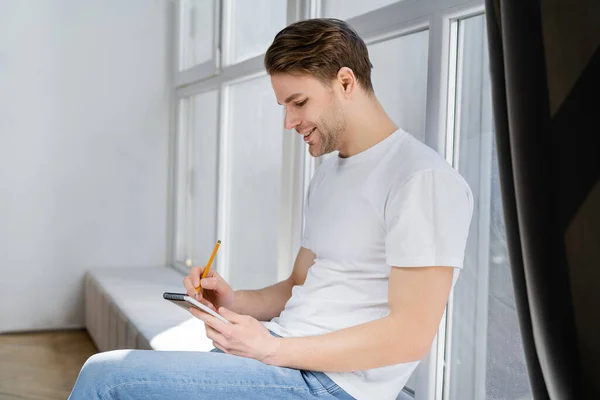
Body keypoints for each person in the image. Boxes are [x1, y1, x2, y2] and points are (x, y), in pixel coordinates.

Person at [69, 18, 473, 400]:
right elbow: (298, 284)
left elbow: (410, 335)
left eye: (298, 103)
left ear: (345, 82)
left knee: (106, 377)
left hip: (331, 384)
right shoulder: (330, 174)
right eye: (284, 106)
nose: (289, 121)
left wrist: (271, 350)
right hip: (285, 357)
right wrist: (232, 302)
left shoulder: (421, 179)